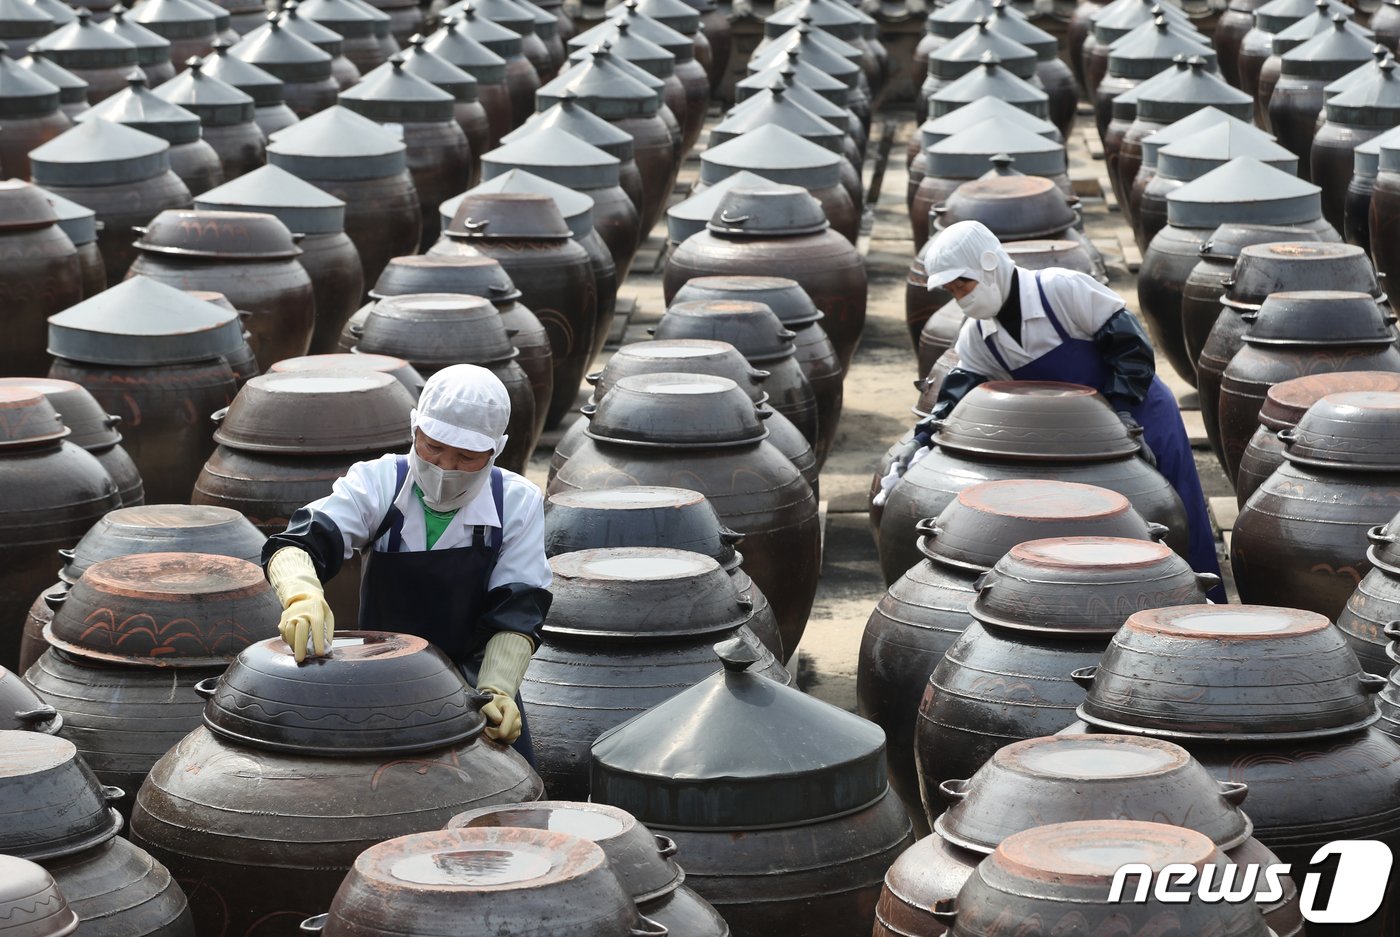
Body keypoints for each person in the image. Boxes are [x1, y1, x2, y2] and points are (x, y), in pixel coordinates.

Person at [880, 220, 1223, 595]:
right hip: (1081, 444)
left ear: (990, 264)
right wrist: (921, 438)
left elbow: (1132, 348)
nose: (959, 297)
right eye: (951, 290)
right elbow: (955, 396)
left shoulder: (1060, 290)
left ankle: (1200, 605)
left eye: (963, 284)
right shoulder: (979, 336)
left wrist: (1123, 416)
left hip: (1141, 413)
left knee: (1176, 510)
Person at [261, 364, 552, 759]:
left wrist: (497, 690)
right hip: (383, 684)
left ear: (495, 450)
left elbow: (517, 609)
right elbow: (298, 543)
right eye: (432, 447)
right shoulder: (378, 482)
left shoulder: (516, 502)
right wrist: (301, 596)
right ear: (414, 430)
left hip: (473, 688)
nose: (445, 467)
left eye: (467, 456)